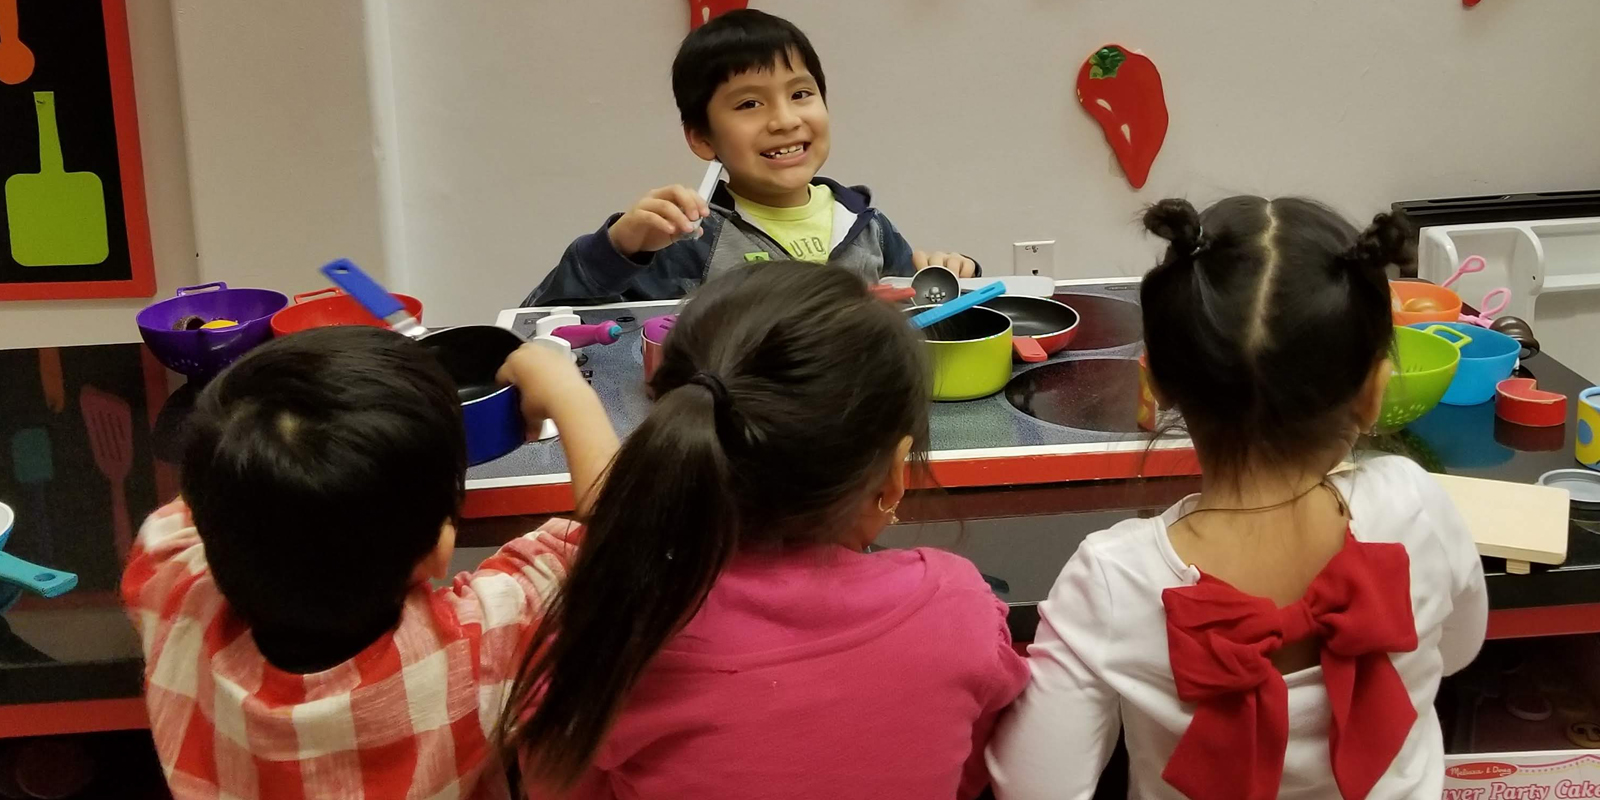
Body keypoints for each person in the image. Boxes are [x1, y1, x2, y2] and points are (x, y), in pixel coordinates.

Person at [986, 198, 1488, 800]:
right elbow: (1459, 650)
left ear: (1156, 387)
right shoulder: (1417, 504)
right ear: (1374, 391)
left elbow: (1034, 788)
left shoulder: (1113, 580)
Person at [500, 262, 1028, 799]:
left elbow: (556, 785)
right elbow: (968, 773)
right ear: (893, 475)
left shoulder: (613, 635)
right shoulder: (960, 609)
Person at [122, 325, 616, 800]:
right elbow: (620, 535)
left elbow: (218, 491)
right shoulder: (476, 648)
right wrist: (567, 390)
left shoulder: (171, 581)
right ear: (437, 551)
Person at [526, 10, 977, 306]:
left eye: (800, 93)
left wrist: (955, 275)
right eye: (748, 104)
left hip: (859, 433)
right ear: (702, 138)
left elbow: (918, 317)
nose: (784, 120)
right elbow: (544, 327)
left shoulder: (867, 226)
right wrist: (618, 250)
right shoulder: (685, 242)